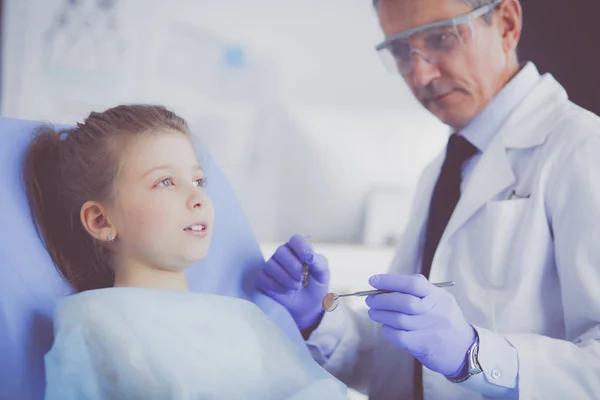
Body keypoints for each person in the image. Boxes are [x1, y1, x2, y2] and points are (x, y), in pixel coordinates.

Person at [256, 0, 600, 398]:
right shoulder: (446, 167)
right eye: (401, 51)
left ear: (506, 24)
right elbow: (403, 360)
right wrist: (315, 317)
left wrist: (472, 353)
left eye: (442, 37)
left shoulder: (582, 149)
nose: (421, 74)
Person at [23, 104, 348, 399]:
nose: (199, 198)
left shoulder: (242, 318)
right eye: (165, 182)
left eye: (199, 180)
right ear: (100, 220)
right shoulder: (95, 324)